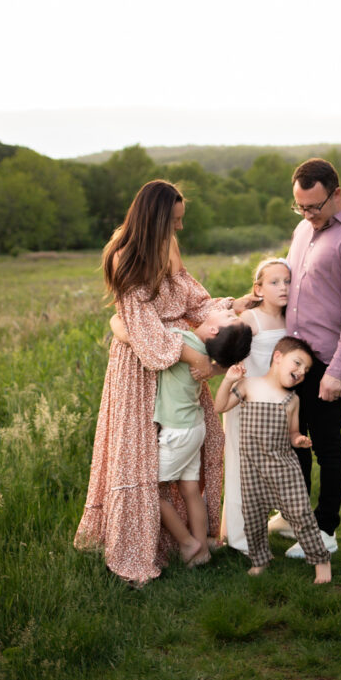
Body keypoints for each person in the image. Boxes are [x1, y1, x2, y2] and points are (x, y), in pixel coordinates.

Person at [73, 179, 251, 586]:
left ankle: (186, 543)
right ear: (154, 220)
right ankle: (141, 550)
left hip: (178, 362)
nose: (180, 229)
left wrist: (231, 305)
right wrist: (199, 358)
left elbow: (193, 302)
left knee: (183, 462)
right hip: (142, 369)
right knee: (141, 459)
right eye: (174, 222)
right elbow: (145, 332)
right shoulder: (125, 258)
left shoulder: (169, 246)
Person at [270, 157, 341, 559]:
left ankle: (325, 530)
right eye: (300, 207)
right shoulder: (304, 228)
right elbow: (290, 280)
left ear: (336, 193)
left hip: (326, 361)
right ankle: (295, 517)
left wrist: (338, 371)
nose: (307, 215)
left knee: (325, 446)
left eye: (314, 207)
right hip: (294, 357)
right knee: (293, 442)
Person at [112, 307, 252, 568]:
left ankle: (188, 543)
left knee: (150, 490)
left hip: (178, 432)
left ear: (213, 330)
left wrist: (115, 321)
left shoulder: (179, 340)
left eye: (229, 317)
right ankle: (202, 552)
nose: (227, 311)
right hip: (194, 428)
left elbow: (139, 337)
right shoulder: (205, 355)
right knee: (190, 490)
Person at [214, 336, 332, 584]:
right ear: (278, 357)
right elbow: (220, 406)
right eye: (297, 363)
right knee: (254, 517)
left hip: (283, 469)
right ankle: (260, 560)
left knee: (301, 514)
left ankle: (321, 561)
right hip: (252, 470)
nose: (301, 372)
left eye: (306, 370)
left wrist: (299, 440)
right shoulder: (248, 386)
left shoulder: (292, 400)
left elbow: (292, 433)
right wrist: (228, 381)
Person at [220, 257, 290, 553]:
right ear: (258, 289)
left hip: (273, 405)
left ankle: (262, 523)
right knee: (241, 467)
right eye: (275, 282)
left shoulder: (290, 319)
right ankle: (241, 538)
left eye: (287, 281)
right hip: (245, 403)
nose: (283, 287)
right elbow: (226, 351)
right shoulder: (251, 320)